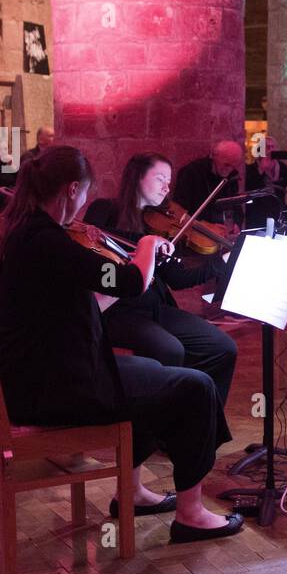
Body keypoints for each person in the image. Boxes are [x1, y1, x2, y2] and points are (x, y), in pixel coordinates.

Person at [0, 145, 243, 541]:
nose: (87, 202)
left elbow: (85, 301)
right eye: (85, 192)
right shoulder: (48, 242)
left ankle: (134, 492)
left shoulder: (24, 234)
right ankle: (191, 513)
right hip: (57, 389)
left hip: (40, 378)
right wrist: (145, 247)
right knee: (195, 386)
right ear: (72, 189)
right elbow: (132, 283)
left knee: (155, 373)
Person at [82, 152, 238, 406]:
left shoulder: (157, 224)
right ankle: (157, 431)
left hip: (155, 308)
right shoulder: (105, 209)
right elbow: (93, 248)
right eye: (159, 178)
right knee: (169, 349)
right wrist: (144, 247)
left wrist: (220, 263)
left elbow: (178, 279)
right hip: (117, 310)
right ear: (137, 178)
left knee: (223, 347)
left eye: (169, 180)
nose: (167, 187)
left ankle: (201, 424)